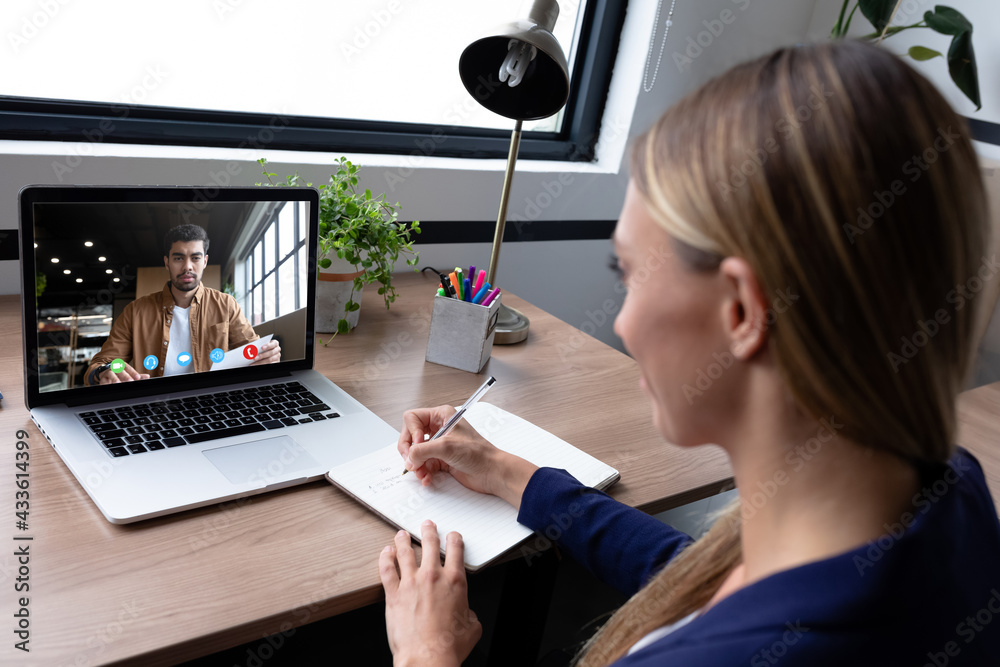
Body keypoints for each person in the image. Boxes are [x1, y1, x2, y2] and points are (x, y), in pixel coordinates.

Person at [377, 41, 1000, 666]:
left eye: (629, 273)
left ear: (740, 311)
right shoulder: (947, 490)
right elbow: (698, 578)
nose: (621, 319)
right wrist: (508, 471)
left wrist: (426, 653)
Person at [85, 224, 280, 385]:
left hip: (210, 401)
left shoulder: (226, 304)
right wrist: (104, 371)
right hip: (152, 405)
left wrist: (267, 356)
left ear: (204, 261)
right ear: (167, 262)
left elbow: (251, 350)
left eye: (195, 258)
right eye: (178, 258)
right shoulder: (135, 311)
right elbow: (101, 363)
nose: (187, 266)